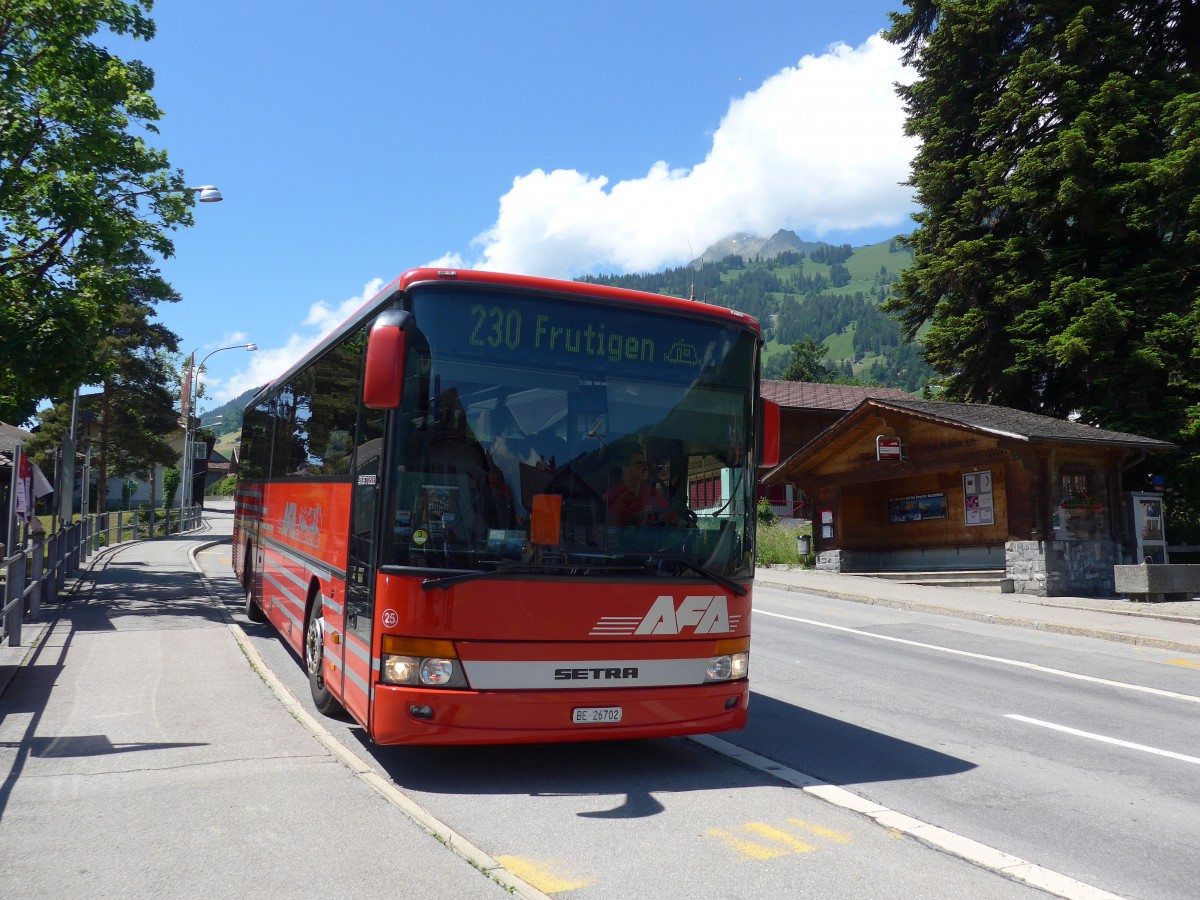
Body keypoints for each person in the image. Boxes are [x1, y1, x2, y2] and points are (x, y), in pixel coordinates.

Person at [605, 444, 671, 526]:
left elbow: (669, 515)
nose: (646, 467)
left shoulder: (653, 494)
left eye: (646, 463)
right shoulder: (613, 497)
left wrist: (678, 520)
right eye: (639, 463)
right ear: (624, 469)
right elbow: (611, 529)